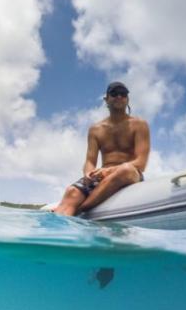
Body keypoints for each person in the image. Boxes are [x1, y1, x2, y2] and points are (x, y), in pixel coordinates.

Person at [53, 82, 150, 216]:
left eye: (123, 94)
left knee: (125, 169)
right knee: (71, 192)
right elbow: (90, 161)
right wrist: (88, 174)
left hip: (130, 173)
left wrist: (110, 170)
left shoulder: (139, 125)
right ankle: (58, 225)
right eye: (114, 94)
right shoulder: (96, 129)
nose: (119, 97)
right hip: (102, 176)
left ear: (128, 99)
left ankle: (82, 209)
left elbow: (141, 163)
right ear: (106, 99)